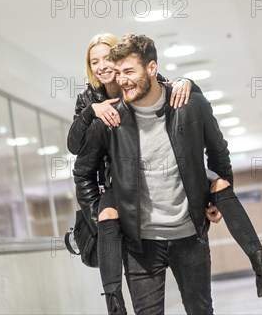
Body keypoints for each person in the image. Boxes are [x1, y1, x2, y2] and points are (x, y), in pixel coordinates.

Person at [73, 34, 262, 314]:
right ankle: (113, 302)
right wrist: (104, 221)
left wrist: (213, 203)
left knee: (201, 311)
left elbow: (219, 154)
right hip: (140, 244)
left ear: (151, 68)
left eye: (129, 71)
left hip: (190, 237)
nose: (122, 80)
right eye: (118, 74)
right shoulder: (107, 119)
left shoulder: (188, 105)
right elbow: (83, 174)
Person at [68, 33, 214, 314]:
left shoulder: (142, 84)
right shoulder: (89, 98)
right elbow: (78, 152)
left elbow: (171, 87)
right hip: (118, 187)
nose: (102, 66)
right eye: (93, 61)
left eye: (108, 58)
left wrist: (188, 82)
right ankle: (113, 301)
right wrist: (91, 112)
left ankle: (260, 263)